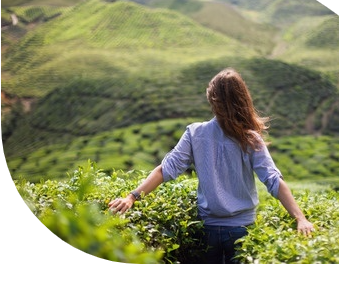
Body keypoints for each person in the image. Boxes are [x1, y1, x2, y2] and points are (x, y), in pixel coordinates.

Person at [108, 67, 315, 264]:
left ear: (212, 100)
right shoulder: (251, 139)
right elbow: (273, 180)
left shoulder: (195, 133)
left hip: (207, 229)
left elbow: (166, 170)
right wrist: (300, 218)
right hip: (242, 229)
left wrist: (132, 196)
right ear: (243, 99)